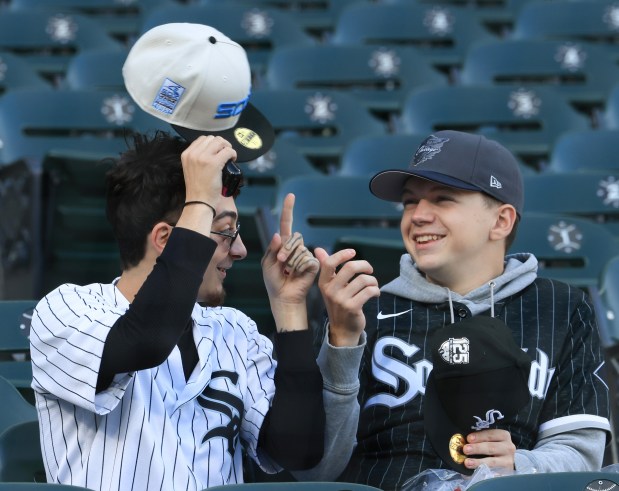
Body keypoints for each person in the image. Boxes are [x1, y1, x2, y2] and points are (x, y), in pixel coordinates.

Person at [29, 22, 361, 490]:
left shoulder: (234, 329)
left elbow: (298, 451)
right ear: (167, 237)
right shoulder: (66, 309)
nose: (241, 250)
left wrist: (289, 311)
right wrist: (199, 203)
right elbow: (143, 341)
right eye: (225, 233)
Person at [313, 130, 612, 490]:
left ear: (501, 221)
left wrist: (519, 463)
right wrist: (342, 344)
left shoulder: (561, 308)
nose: (418, 215)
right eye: (410, 202)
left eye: (443, 199)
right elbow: (317, 469)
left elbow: (582, 455)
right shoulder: (361, 309)